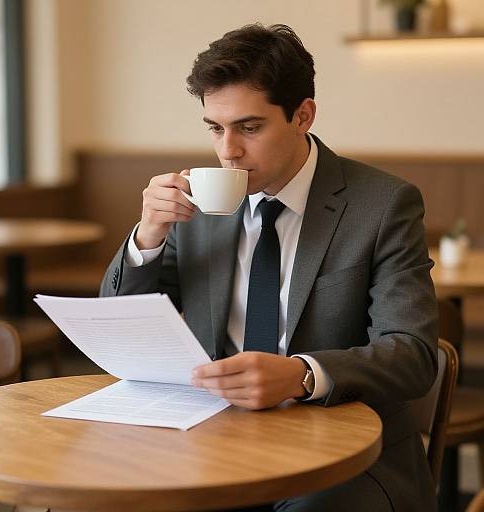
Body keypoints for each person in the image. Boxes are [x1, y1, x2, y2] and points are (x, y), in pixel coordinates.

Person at [101, 23, 438, 511]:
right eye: (215, 128)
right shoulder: (194, 207)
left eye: (249, 127)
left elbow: (413, 355)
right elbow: (122, 333)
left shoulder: (383, 205)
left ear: (303, 116)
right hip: (209, 437)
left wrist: (303, 374)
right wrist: (147, 235)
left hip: (341, 452)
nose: (227, 150)